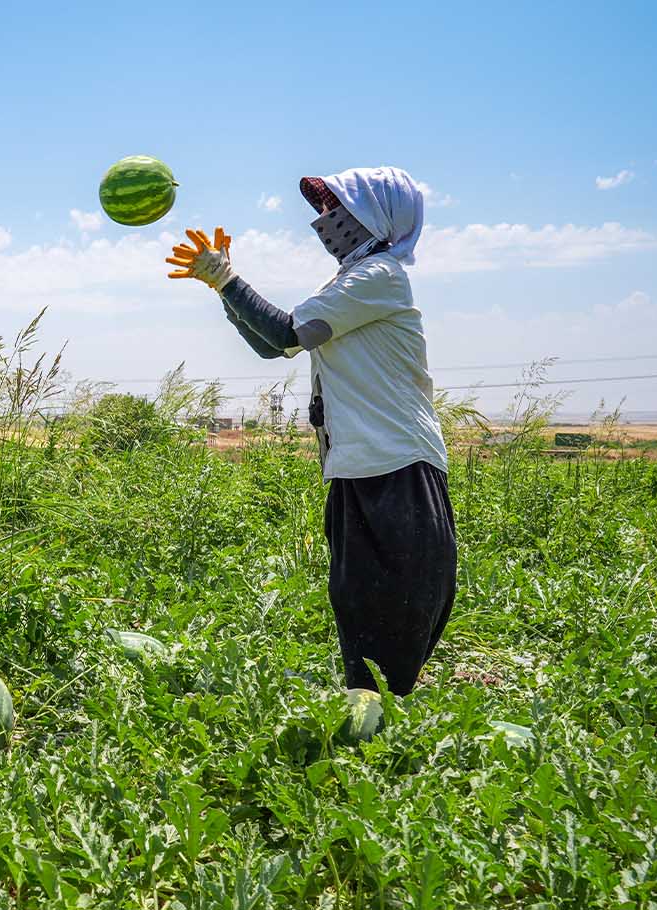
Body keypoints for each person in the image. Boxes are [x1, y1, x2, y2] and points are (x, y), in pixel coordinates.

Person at [166, 167, 453, 696]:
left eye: (334, 208)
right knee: (355, 594)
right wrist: (222, 289)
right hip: (356, 461)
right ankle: (365, 703)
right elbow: (274, 346)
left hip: (397, 460)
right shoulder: (348, 283)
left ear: (374, 216)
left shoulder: (380, 276)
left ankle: (388, 712)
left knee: (400, 597)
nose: (324, 220)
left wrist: (229, 281)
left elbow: (284, 331)